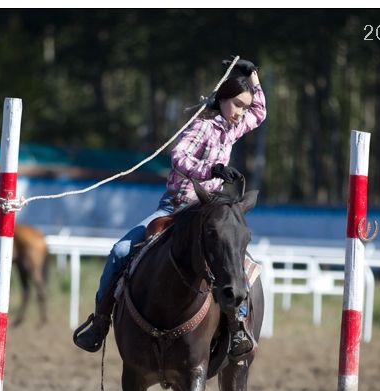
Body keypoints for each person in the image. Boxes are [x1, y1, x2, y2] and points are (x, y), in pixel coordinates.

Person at [73, 56, 266, 357]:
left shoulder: (233, 128)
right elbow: (179, 156)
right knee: (121, 252)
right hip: (176, 208)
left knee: (234, 262)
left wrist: (252, 75)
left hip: (208, 210)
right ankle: (99, 323)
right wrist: (212, 170)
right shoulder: (203, 126)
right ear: (223, 100)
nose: (242, 113)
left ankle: (238, 327)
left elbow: (260, 111)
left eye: (244, 106)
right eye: (238, 105)